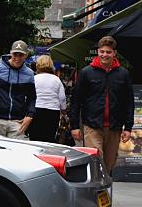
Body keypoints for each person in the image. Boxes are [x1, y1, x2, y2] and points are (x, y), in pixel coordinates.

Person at [69, 36, 134, 173]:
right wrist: (74, 126)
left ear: (114, 53)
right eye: (102, 51)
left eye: (108, 52)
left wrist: (128, 127)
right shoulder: (87, 72)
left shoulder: (123, 74)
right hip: (92, 126)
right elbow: (76, 100)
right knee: (95, 161)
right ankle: (94, 193)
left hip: (114, 127)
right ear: (98, 52)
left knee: (109, 164)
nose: (105, 55)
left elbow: (129, 102)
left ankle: (104, 193)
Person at [29, 55, 66, 143]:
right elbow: (62, 98)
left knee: (35, 138)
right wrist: (64, 111)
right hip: (52, 112)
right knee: (49, 139)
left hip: (36, 110)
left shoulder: (34, 79)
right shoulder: (57, 80)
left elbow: (29, 96)